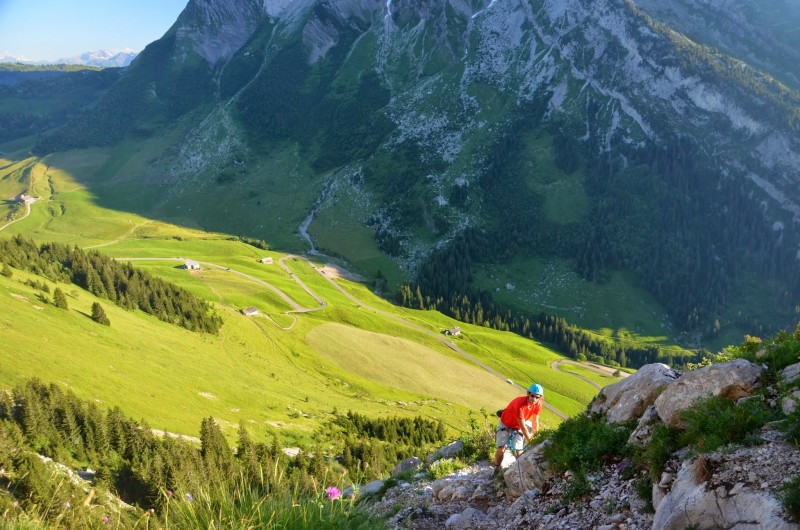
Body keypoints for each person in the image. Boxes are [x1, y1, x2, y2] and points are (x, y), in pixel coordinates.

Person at [494, 383, 544, 474]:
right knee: (501, 448)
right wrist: (530, 440)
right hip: (506, 423)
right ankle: (497, 468)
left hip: (517, 426)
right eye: (532, 396)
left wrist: (536, 437)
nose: (534, 399)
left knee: (519, 449)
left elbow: (535, 422)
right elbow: (522, 426)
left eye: (537, 397)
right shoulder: (520, 404)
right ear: (528, 394)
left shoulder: (538, 405)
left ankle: (520, 471)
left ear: (540, 397)